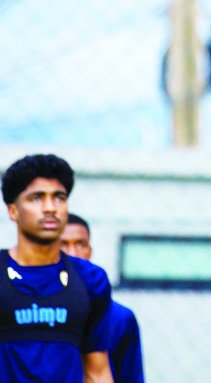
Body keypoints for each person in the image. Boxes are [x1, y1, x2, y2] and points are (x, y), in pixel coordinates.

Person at [0, 154, 114, 383]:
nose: (50, 208)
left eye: (59, 198)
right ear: (13, 211)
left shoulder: (90, 279)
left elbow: (97, 371)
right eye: (36, 198)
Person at [62, 213, 145, 383]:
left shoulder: (120, 318)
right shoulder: (26, 308)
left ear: (89, 251)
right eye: (63, 244)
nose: (73, 253)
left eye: (80, 244)